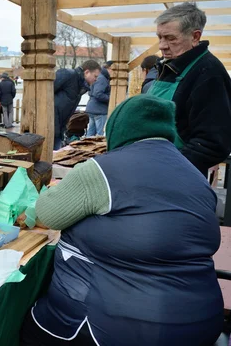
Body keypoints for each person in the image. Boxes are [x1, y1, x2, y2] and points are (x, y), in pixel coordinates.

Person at [21, 95, 223, 346]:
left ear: (118, 129)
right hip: (203, 323)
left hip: (120, 329)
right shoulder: (195, 176)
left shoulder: (102, 169)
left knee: (27, 328)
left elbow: (48, 214)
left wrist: (54, 192)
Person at [149, 1, 231, 176]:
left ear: (195, 37)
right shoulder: (169, 66)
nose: (162, 45)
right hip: (152, 162)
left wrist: (164, 168)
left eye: (171, 38)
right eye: (160, 38)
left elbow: (212, 144)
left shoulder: (208, 73)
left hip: (175, 174)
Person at [53, 60, 101, 149]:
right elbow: (46, 93)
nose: (96, 79)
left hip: (59, 128)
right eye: (95, 76)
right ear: (86, 72)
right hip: (51, 125)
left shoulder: (81, 86)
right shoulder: (68, 75)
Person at [85, 61, 112, 136]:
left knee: (90, 134)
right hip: (100, 110)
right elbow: (98, 94)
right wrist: (111, 98)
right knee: (100, 135)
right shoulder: (102, 78)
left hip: (93, 108)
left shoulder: (99, 76)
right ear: (109, 68)